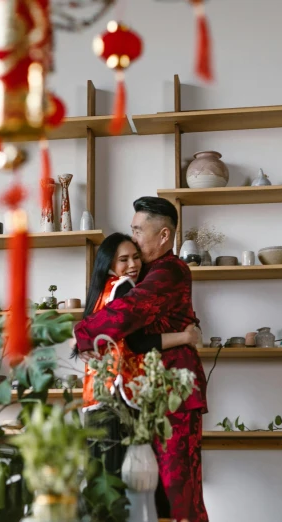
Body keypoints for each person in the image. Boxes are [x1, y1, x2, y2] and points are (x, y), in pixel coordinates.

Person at [73, 197, 208, 522]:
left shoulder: (170, 271)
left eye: (138, 230)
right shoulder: (142, 271)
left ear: (163, 236)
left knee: (179, 494)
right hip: (147, 395)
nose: (133, 238)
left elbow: (128, 313)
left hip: (176, 394)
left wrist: (82, 333)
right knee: (149, 493)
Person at [78, 232, 201, 477]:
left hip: (94, 397)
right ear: (110, 263)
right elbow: (138, 342)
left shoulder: (99, 292)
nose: (133, 265)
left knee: (99, 478)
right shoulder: (123, 287)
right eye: (124, 259)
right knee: (121, 481)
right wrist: (186, 337)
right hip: (118, 395)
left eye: (136, 257)